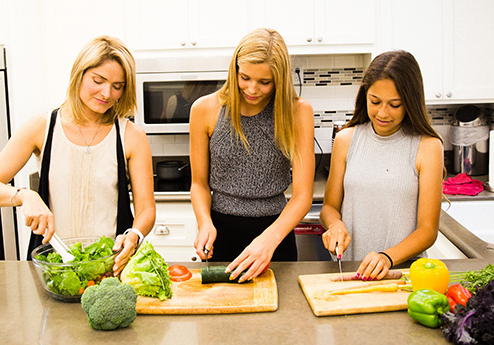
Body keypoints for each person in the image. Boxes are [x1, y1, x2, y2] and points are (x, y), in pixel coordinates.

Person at [0, 35, 156, 276]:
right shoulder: (42, 127)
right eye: (98, 80)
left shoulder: (131, 136)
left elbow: (146, 210)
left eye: (117, 86)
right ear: (79, 74)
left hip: (111, 267)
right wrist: (24, 196)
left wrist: (135, 235)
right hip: (54, 268)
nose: (106, 93)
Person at [190, 28, 315, 282]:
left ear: (279, 79)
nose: (252, 89)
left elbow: (303, 196)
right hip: (221, 235)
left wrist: (268, 240)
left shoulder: (297, 112)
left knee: (280, 318)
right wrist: (204, 222)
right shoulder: (205, 109)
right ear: (234, 69)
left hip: (276, 236)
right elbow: (198, 184)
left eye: (264, 82)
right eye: (244, 77)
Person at [320, 50, 444, 281]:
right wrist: (335, 224)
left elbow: (428, 231)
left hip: (402, 275)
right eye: (375, 102)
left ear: (410, 102)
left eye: (395, 105)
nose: (382, 113)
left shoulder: (428, 147)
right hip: (351, 271)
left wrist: (386, 257)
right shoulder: (346, 139)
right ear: (365, 95)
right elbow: (329, 206)